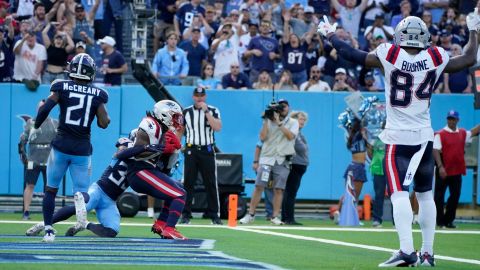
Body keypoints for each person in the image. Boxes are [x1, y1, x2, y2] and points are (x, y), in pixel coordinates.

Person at [317, 10, 480, 266]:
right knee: (426, 195)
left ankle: (406, 250)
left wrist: (329, 36)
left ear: (399, 35)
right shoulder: (436, 56)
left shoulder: (390, 54)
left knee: (399, 194)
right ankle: (427, 253)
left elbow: (351, 54)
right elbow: (470, 57)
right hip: (425, 138)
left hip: (397, 139)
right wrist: (473, 28)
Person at [33, 53, 110, 242]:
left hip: (60, 146)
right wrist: (98, 113)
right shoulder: (98, 94)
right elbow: (104, 122)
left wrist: (36, 125)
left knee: (51, 189)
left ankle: (49, 230)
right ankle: (80, 214)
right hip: (82, 150)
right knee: (81, 193)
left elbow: (44, 109)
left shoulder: (61, 87)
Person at [25, 137, 133, 237]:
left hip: (110, 201)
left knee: (112, 231)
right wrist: (140, 149)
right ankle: (43, 224)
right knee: (77, 208)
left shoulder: (142, 163)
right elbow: (120, 151)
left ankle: (84, 224)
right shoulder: (128, 147)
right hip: (99, 191)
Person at [124, 100, 186, 239]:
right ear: (164, 114)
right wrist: (161, 149)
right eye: (174, 116)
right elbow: (137, 152)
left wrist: (171, 152)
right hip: (139, 170)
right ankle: (169, 229)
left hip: (148, 170)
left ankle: (161, 224)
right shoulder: (150, 124)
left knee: (179, 190)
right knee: (179, 194)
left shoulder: (163, 129)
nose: (177, 120)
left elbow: (165, 169)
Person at [240, 99, 299, 225]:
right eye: (280, 106)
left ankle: (274, 216)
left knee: (279, 189)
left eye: (285, 106)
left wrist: (278, 123)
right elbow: (262, 137)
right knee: (259, 186)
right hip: (267, 158)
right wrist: (267, 119)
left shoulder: (293, 122)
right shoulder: (268, 121)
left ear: (289, 108)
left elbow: (290, 136)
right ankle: (250, 214)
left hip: (282, 159)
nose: (282, 108)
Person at [181, 86, 222, 225]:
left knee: (210, 183)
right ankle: (185, 214)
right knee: (188, 182)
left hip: (207, 150)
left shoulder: (214, 110)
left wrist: (206, 112)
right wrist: (177, 146)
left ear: (205, 97)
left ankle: (214, 215)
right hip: (191, 150)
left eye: (202, 95)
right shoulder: (186, 111)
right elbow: (180, 130)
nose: (199, 98)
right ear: (193, 96)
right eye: (197, 95)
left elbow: (217, 127)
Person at [433, 110, 480, 229]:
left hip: (457, 170)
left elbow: (473, 132)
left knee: (455, 196)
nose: (451, 121)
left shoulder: (462, 133)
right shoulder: (440, 134)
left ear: (457, 120)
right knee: (439, 196)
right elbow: (436, 150)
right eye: (449, 118)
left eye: (453, 119)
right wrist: (440, 167)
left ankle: (449, 220)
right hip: (443, 170)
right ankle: (440, 221)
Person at [19, 100, 58, 220]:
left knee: (49, 188)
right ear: (37, 109)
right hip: (33, 160)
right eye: (40, 107)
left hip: (49, 160)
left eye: (44, 107)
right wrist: (24, 157)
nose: (41, 109)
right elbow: (22, 141)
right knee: (30, 185)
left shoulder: (55, 123)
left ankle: (48, 213)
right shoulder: (30, 123)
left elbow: (60, 143)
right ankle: (26, 212)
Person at [333, 118, 370, 224]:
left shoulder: (353, 136)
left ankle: (338, 212)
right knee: (355, 195)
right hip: (358, 168)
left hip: (352, 166)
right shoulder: (358, 136)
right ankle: (351, 217)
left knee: (348, 193)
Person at [282, 111, 309, 225]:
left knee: (290, 192)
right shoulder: (294, 133)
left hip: (300, 165)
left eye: (304, 119)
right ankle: (289, 218)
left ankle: (286, 217)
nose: (302, 121)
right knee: (290, 192)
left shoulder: (300, 133)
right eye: (300, 119)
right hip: (294, 165)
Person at [370, 121, 386, 228]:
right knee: (379, 195)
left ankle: (397, 221)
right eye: (385, 126)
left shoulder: (395, 138)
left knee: (395, 195)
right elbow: (370, 151)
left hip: (391, 169)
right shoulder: (376, 138)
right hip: (378, 169)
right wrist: (376, 161)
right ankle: (377, 219)